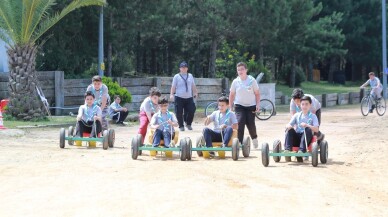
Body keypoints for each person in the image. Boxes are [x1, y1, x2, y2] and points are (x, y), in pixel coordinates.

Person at [229, 62, 260, 148]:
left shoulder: (252, 80)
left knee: (251, 124)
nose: (240, 71)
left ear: (246, 70)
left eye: (242, 69)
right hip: (239, 105)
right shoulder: (235, 82)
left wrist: (258, 104)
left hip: (251, 106)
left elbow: (257, 93)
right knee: (240, 122)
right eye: (238, 70)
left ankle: (254, 138)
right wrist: (230, 106)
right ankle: (239, 142)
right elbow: (231, 94)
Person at [170, 61, 198, 131]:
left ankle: (188, 123)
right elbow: (173, 86)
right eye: (182, 67)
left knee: (191, 110)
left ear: (187, 68)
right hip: (179, 97)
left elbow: (193, 85)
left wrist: (195, 92)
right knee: (179, 112)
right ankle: (181, 126)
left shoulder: (190, 76)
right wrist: (171, 94)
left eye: (185, 67)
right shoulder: (176, 76)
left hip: (189, 97)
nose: (184, 69)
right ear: (180, 68)